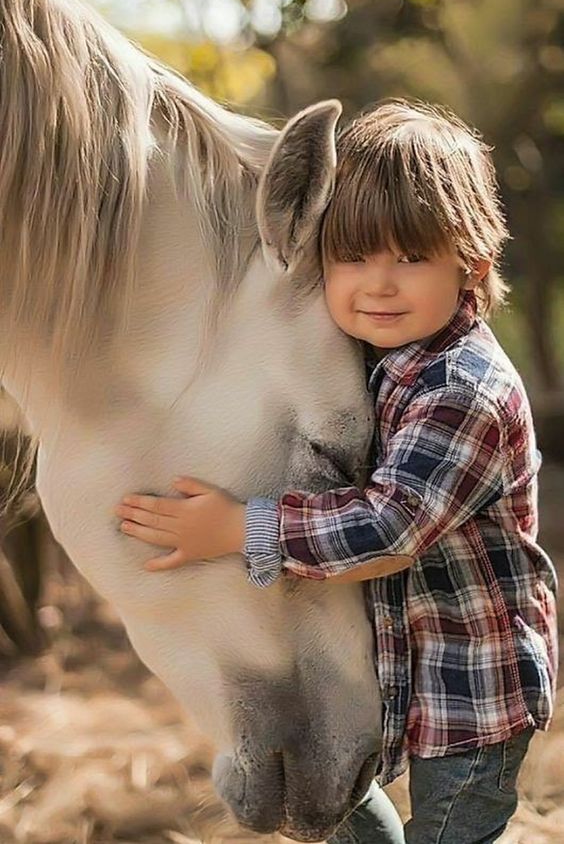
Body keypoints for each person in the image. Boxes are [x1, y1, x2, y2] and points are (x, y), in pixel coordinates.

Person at [114, 99, 558, 844]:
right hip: (393, 660)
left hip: (474, 683)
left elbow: (390, 527)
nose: (377, 283)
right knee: (337, 804)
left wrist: (240, 527)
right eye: (352, 256)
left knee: (451, 832)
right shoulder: (371, 359)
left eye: (410, 257)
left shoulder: (463, 390)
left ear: (472, 266)